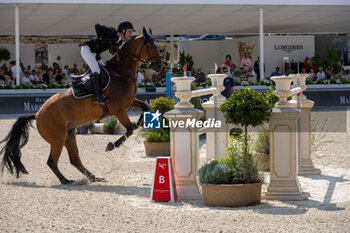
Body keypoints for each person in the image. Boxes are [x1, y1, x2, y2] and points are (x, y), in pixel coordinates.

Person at [80, 20, 135, 104]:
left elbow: (112, 49)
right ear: (123, 30)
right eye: (129, 31)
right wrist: (101, 38)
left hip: (95, 54)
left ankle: (103, 91)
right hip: (87, 50)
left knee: (105, 71)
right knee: (96, 71)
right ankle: (97, 96)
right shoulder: (112, 32)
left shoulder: (119, 41)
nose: (131, 34)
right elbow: (97, 26)